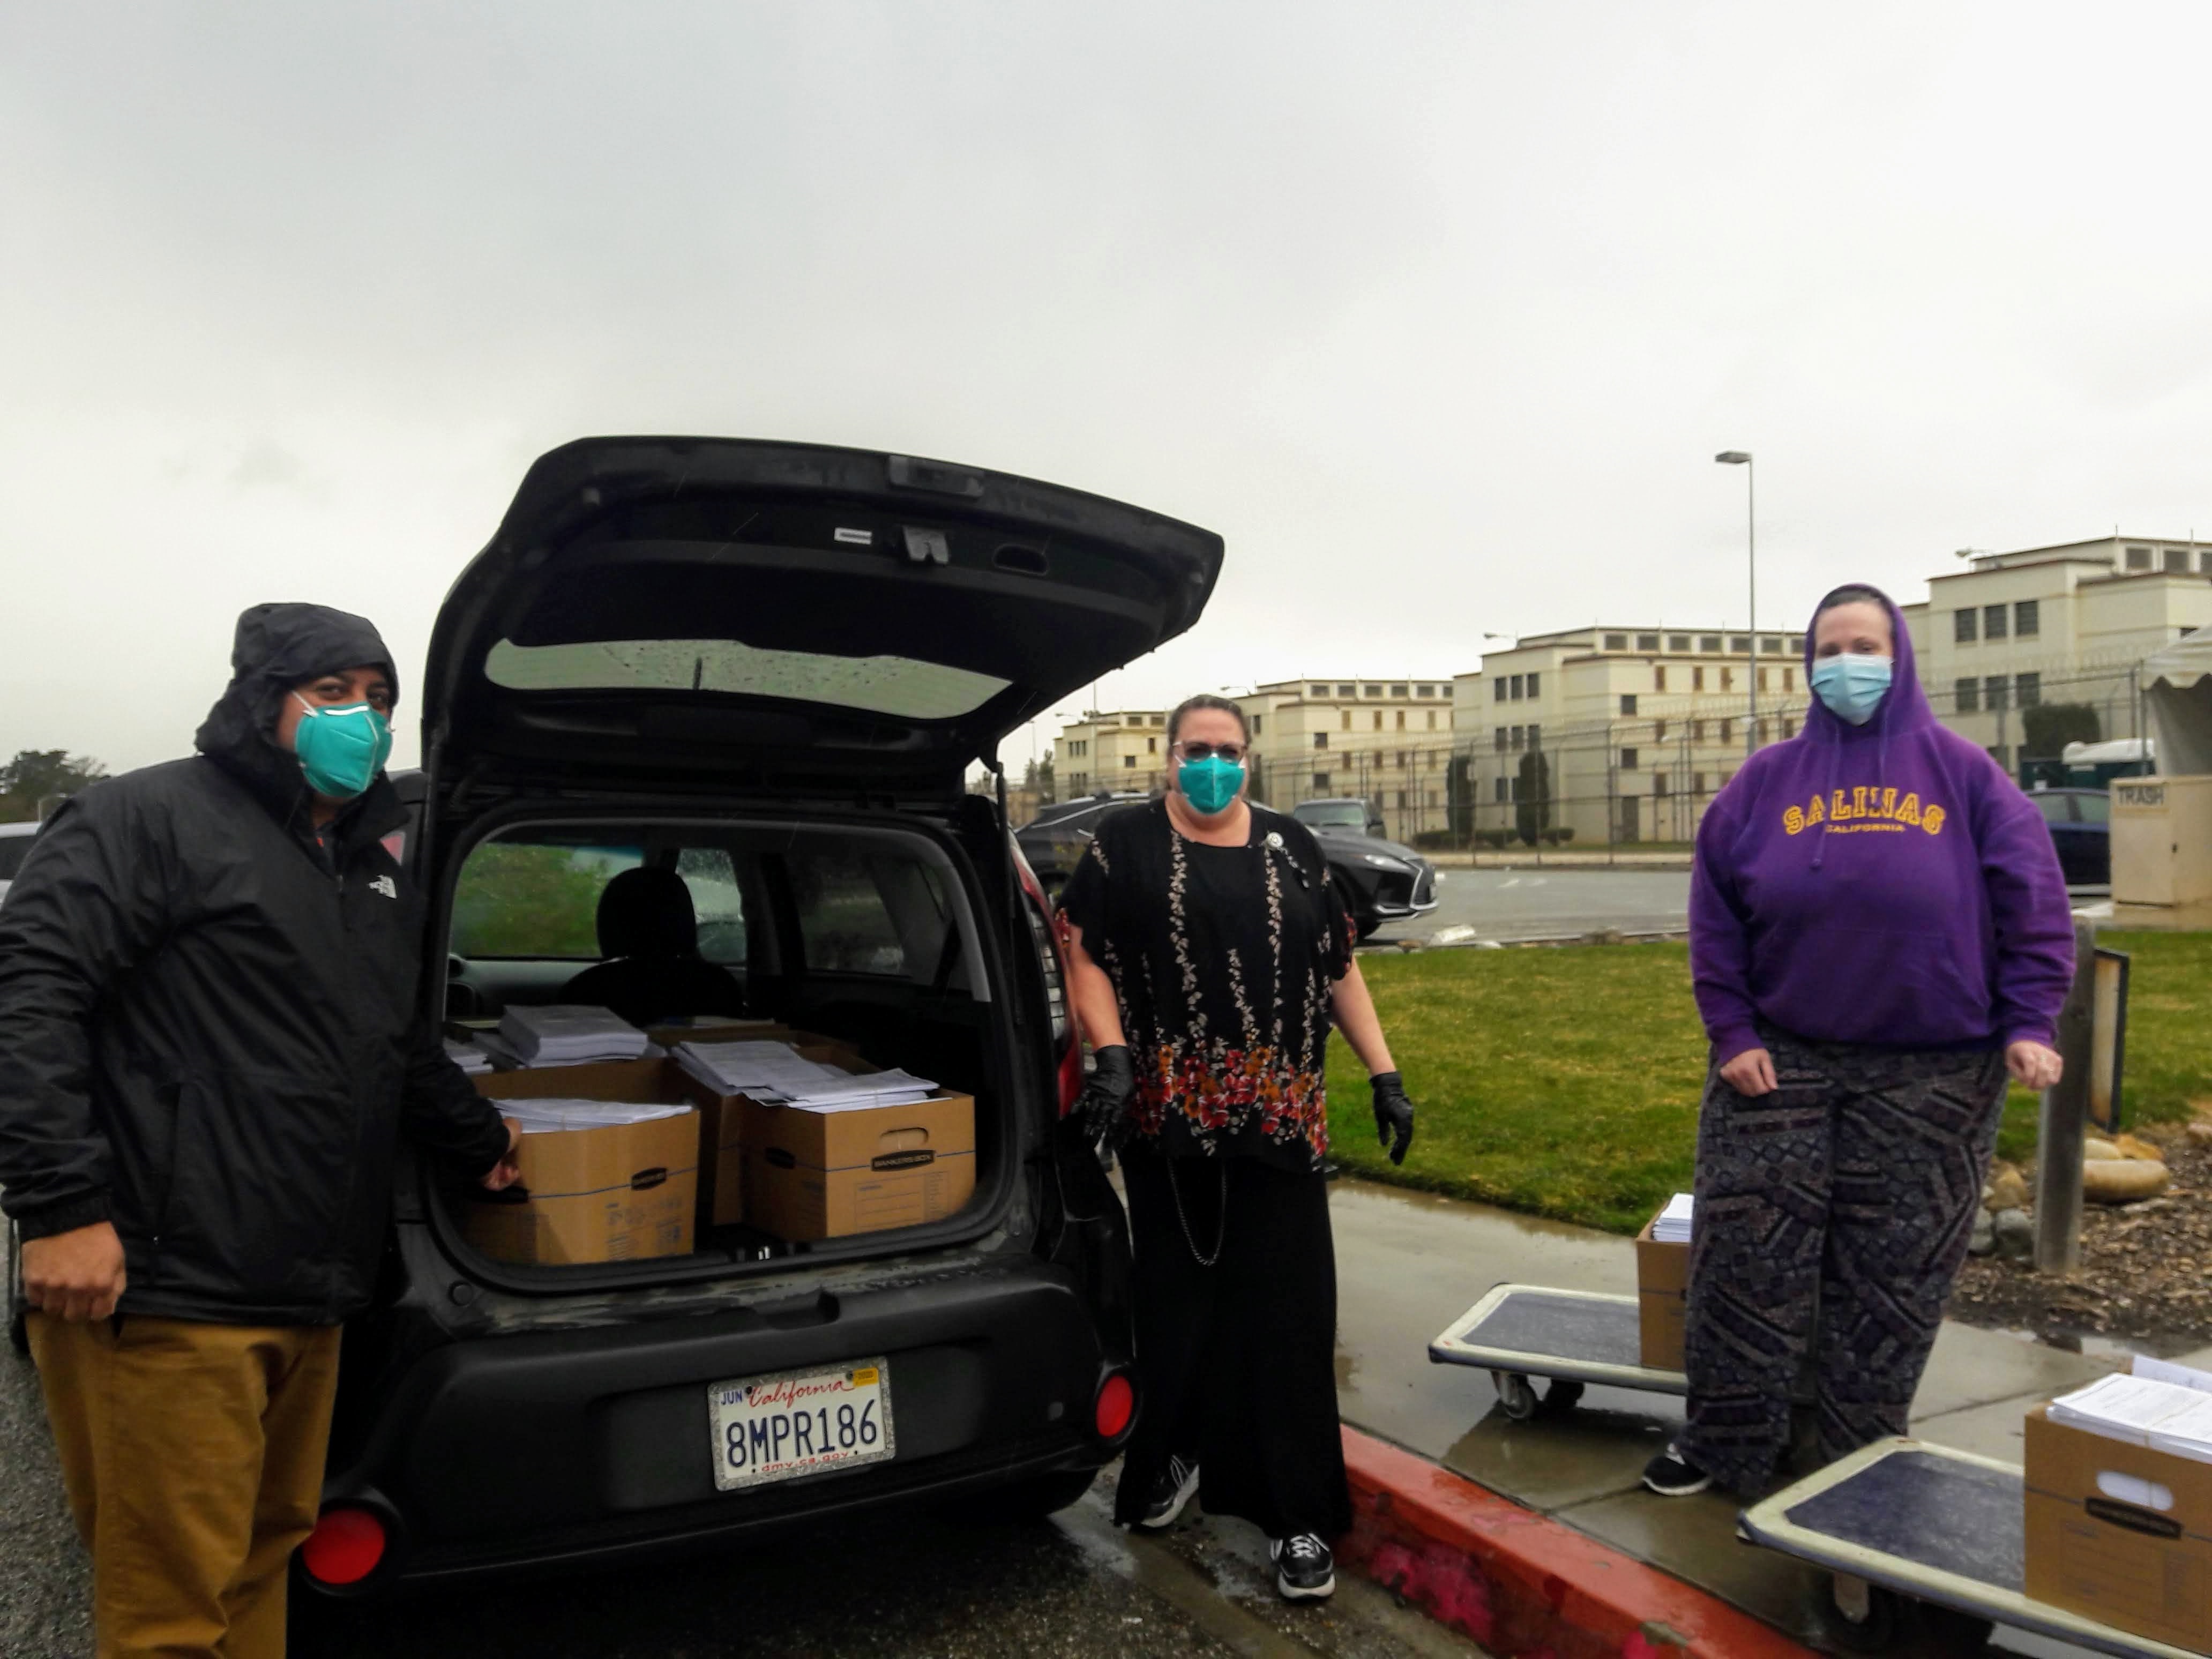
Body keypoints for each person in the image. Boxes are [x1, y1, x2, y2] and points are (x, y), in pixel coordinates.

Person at [0, 603, 523, 1658]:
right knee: (170, 1608)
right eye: (332, 695)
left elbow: (393, 1041)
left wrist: (480, 1141)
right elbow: (28, 996)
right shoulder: (145, 819)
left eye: (379, 702)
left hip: (312, 1288)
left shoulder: (369, 866)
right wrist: (59, 1209)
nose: (363, 722)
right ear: (260, 702)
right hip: (168, 1294)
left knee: (263, 1554)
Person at [1647, 584, 2073, 1505]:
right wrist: (1731, 1032)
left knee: (1894, 1273)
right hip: (1784, 1056)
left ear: (1902, 655)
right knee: (1746, 1258)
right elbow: (1716, 916)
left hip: (1935, 1071)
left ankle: (1858, 1455)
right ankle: (1725, 1440)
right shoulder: (1765, 781)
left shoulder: (1963, 775)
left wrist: (2030, 1022)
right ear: (1810, 664)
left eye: (1867, 645)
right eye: (1832, 647)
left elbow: (2034, 904)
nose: (1849, 664)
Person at [1056, 693, 1416, 1604]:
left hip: (1281, 1116)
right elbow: (1082, 952)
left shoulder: (1294, 848)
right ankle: (1173, 1454)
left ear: (1248, 759)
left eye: (1226, 751)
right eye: (1193, 751)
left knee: (1288, 1314)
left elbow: (1338, 967)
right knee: (1180, 1299)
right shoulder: (1123, 847)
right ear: (1167, 757)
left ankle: (1295, 1514)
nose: (1210, 765)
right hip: (1170, 1116)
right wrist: (1110, 1059)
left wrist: (1383, 1073)